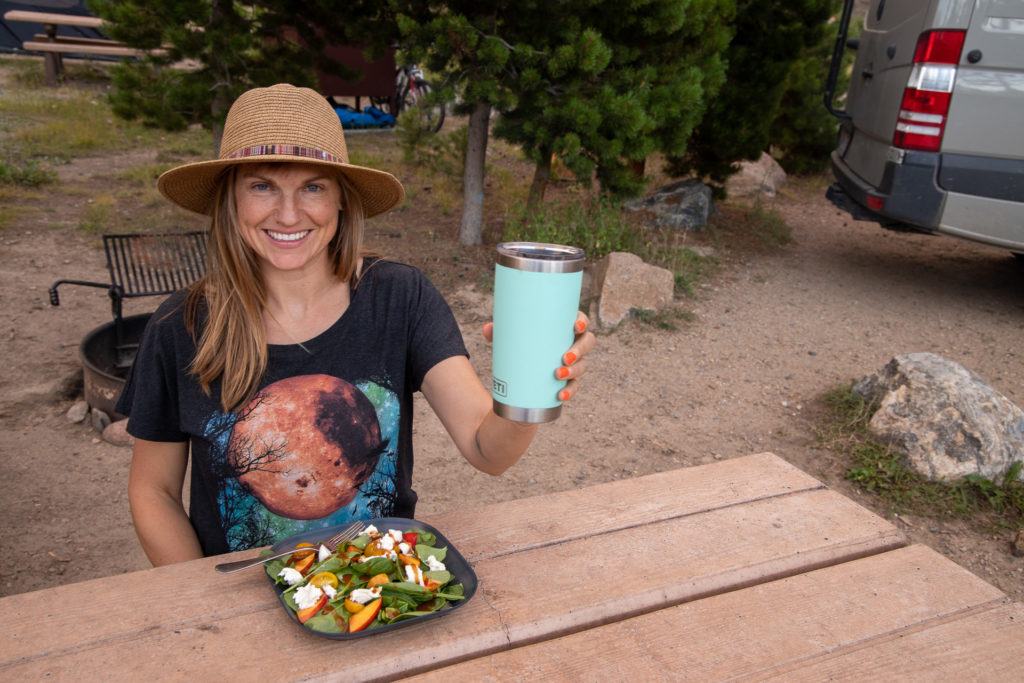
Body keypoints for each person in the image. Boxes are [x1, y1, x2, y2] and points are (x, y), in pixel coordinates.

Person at [116, 84, 595, 566]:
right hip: (240, 599)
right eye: (262, 186)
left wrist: (531, 390)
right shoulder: (183, 326)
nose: (288, 213)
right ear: (230, 201)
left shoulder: (398, 298)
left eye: (312, 187)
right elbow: (153, 491)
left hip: (379, 588)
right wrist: (203, 604)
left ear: (341, 200)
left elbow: (487, 450)